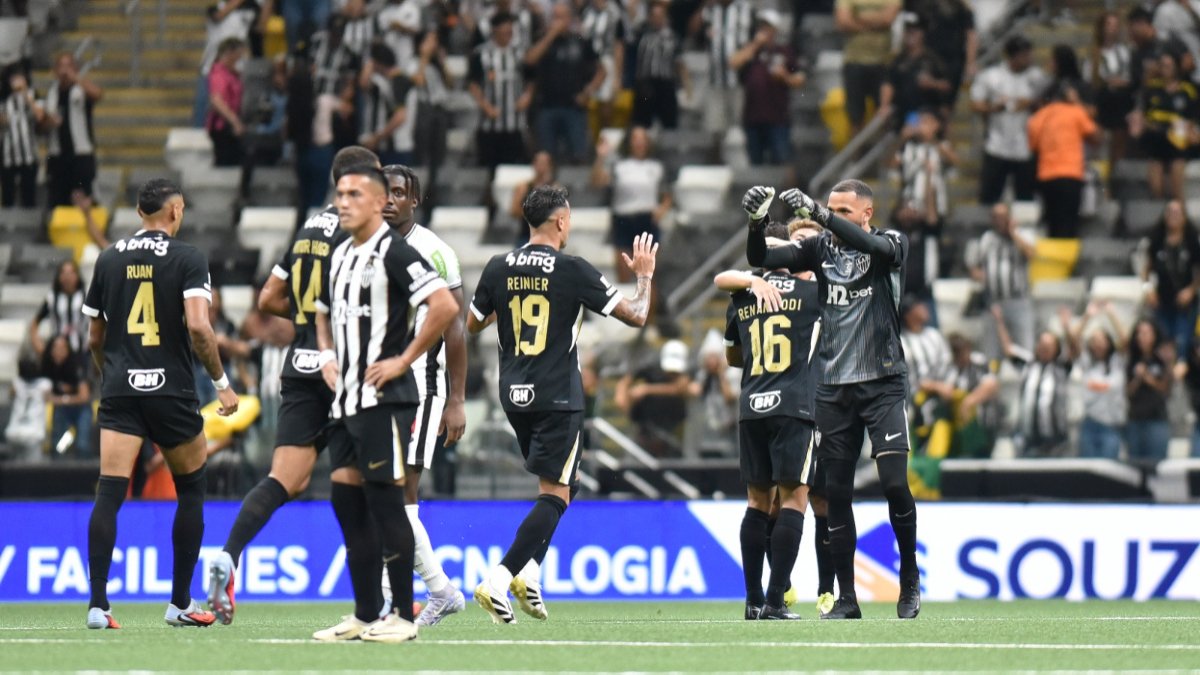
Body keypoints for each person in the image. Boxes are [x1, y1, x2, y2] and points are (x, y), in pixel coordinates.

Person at [205, 145, 380, 626]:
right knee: (368, 485)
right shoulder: (356, 230)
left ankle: (229, 553)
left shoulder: (308, 228)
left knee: (286, 478)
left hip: (299, 363)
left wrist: (305, 320)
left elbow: (268, 297)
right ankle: (389, 596)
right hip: (342, 368)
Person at [468, 185, 658, 624]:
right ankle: (499, 578)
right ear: (559, 221)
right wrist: (644, 275)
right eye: (568, 219)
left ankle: (530, 574)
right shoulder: (572, 268)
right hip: (558, 395)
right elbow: (637, 314)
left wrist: (511, 300)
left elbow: (473, 325)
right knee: (555, 494)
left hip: (514, 396)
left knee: (562, 486)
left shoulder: (498, 266)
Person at [742, 179, 920, 620]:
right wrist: (756, 222)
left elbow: (873, 248)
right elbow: (761, 258)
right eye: (832, 208)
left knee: (894, 482)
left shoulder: (890, 243)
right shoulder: (820, 250)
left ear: (866, 214)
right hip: (835, 389)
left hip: (883, 383)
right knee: (836, 495)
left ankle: (910, 578)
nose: (835, 215)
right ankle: (847, 598)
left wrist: (821, 214)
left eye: (844, 210)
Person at [81, 178, 239, 630]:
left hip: (121, 394)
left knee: (109, 492)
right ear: (174, 211)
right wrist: (222, 382)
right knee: (191, 490)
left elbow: (95, 336)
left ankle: (98, 605)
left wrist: (109, 374)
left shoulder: (109, 258)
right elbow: (199, 328)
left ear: (138, 212)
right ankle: (179, 603)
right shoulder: (189, 258)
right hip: (171, 390)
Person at [311, 165, 459, 642]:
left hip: (388, 399)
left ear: (379, 202)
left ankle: (403, 615)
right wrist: (328, 354)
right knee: (346, 502)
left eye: (355, 194)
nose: (344, 202)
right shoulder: (339, 252)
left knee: (389, 503)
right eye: (340, 193)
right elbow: (321, 308)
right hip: (347, 399)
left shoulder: (399, 252)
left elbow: (446, 308)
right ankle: (365, 612)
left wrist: (403, 361)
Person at [715, 219, 822, 621]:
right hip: (794, 405)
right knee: (795, 500)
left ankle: (753, 599)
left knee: (757, 502)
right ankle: (777, 601)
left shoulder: (741, 295)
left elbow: (732, 357)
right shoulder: (815, 293)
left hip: (751, 404)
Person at [379, 163, 468, 626]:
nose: (389, 200)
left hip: (421, 388)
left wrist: (456, 399)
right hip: (377, 387)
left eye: (398, 193)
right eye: (384, 191)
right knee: (382, 494)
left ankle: (430, 593)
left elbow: (455, 327)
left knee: (400, 495)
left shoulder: (435, 251)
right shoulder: (366, 245)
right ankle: (413, 596)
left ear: (415, 200)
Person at [524, 2, 604, 164]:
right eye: (554, 17)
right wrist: (551, 35)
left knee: (578, 156)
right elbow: (529, 60)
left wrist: (588, 92)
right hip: (546, 107)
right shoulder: (541, 39)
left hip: (574, 108)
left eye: (561, 17)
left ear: (570, 19)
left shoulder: (581, 40)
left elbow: (601, 71)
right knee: (546, 156)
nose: (557, 21)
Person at [970, 35, 1046, 204]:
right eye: (1024, 55)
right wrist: (993, 108)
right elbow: (976, 104)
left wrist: (1030, 103)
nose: (1029, 58)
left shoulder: (1036, 77)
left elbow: (1047, 104)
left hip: (1025, 145)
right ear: (1013, 56)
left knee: (1025, 198)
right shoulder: (992, 76)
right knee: (990, 196)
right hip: (997, 144)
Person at [591, 126, 671, 282]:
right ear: (629, 142)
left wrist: (662, 209)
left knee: (648, 277)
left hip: (647, 221)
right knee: (623, 272)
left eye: (642, 138)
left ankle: (649, 306)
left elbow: (667, 193)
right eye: (636, 138)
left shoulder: (656, 167)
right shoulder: (619, 166)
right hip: (623, 220)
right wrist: (600, 158)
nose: (639, 143)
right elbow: (597, 182)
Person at [730, 9, 806, 165]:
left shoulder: (785, 52)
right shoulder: (751, 52)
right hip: (752, 117)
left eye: (768, 26)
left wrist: (784, 76)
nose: (764, 30)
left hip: (777, 117)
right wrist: (755, 45)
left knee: (782, 160)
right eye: (761, 26)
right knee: (755, 163)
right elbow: (733, 63)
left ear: (775, 29)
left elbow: (800, 79)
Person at [993, 305, 1070, 457]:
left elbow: (1075, 349)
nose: (1044, 348)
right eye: (1042, 344)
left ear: (1056, 349)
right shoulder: (1028, 364)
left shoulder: (1061, 368)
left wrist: (1066, 327)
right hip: (1027, 438)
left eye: (1049, 345)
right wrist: (999, 321)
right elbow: (1008, 349)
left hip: (1054, 440)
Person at [1026, 81, 1098, 239]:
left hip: (1047, 176)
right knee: (1070, 223)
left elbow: (1033, 147)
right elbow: (1095, 136)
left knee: (1053, 223)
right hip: (1070, 174)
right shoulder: (1075, 112)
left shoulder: (1039, 117)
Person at [966, 202, 1035, 362]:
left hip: (1018, 301)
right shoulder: (987, 238)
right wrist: (981, 275)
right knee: (991, 351)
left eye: (1003, 216)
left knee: (1023, 348)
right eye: (996, 217)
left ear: (1010, 217)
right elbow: (974, 266)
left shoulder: (1023, 234)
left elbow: (1031, 254)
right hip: (993, 302)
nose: (999, 220)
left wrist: (1013, 232)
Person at [1129, 52, 1199, 200]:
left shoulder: (1187, 90)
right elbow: (1142, 115)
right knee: (1155, 166)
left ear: (1176, 67)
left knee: (1177, 164)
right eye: (1162, 65)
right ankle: (1158, 206)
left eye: (1168, 65)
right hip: (1156, 137)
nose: (1164, 68)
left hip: (1177, 139)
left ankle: (1178, 207)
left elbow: (1191, 120)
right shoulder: (1152, 88)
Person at [468, 11, 533, 170]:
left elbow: (531, 79)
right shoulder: (481, 53)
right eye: (504, 32)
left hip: (515, 121)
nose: (507, 36)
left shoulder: (520, 52)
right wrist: (486, 106)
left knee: (515, 167)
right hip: (489, 123)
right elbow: (473, 84)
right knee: (490, 168)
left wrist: (527, 97)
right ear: (494, 31)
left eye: (510, 32)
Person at [1063, 301, 1127, 459]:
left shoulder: (1117, 363)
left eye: (1102, 340)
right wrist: (1087, 317)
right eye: (1094, 340)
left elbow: (1125, 341)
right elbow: (1072, 341)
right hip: (1089, 424)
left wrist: (1112, 315)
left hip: (1111, 426)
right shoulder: (1086, 363)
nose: (1098, 344)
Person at [1139, 199, 1200, 355]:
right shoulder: (1156, 241)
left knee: (1182, 340)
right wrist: (1148, 290)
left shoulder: (1192, 241)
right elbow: (1146, 269)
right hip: (1162, 300)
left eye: (1177, 212)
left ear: (1184, 217)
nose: (1173, 216)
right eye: (1170, 212)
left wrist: (1191, 290)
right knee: (1164, 341)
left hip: (1185, 303)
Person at [614, 339, 693, 458]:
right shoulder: (651, 367)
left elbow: (680, 388)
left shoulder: (689, 370)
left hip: (673, 426)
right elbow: (626, 380)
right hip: (647, 426)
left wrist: (647, 389)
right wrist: (623, 396)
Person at [44, 52, 103, 206]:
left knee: (83, 199)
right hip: (57, 156)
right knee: (58, 201)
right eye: (61, 66)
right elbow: (41, 125)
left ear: (75, 68)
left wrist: (75, 78)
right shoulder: (52, 93)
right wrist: (49, 122)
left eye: (68, 66)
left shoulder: (81, 89)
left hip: (80, 155)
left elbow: (98, 94)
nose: (64, 71)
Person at [835, 0, 900, 136]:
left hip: (883, 61)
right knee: (855, 117)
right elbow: (843, 21)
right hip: (854, 60)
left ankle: (884, 155)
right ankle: (857, 155)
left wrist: (857, 17)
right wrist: (877, 21)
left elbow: (888, 19)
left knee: (884, 115)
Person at [878, 14, 951, 130]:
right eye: (908, 31)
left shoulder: (932, 60)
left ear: (922, 33)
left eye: (915, 31)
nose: (910, 35)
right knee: (904, 130)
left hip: (927, 111)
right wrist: (884, 105)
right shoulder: (898, 61)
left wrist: (932, 83)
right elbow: (888, 82)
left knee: (915, 129)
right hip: (903, 111)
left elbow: (946, 86)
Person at [1087, 11, 1133, 170]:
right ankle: (1101, 173)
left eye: (1115, 25)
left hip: (1119, 100)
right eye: (1109, 25)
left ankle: (1115, 172)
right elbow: (1091, 79)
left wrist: (1117, 81)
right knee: (1100, 141)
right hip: (1102, 99)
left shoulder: (1123, 51)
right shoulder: (1095, 53)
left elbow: (1128, 77)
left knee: (1119, 139)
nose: (1112, 29)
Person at [631, 0, 686, 130]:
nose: (657, 19)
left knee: (669, 124)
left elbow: (679, 63)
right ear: (650, 17)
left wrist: (686, 87)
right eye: (654, 16)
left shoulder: (672, 36)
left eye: (660, 16)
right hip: (645, 83)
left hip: (665, 84)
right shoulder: (641, 33)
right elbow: (631, 17)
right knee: (642, 123)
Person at [1125, 318, 1173, 464]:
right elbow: (1127, 393)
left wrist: (1147, 377)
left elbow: (1166, 390)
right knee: (1134, 468)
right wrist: (1138, 379)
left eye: (1146, 333)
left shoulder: (1162, 358)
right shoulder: (1132, 360)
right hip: (1135, 421)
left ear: (1154, 335)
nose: (1142, 336)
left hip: (1157, 421)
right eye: (1139, 333)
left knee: (1157, 467)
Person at [43, 333, 92, 457]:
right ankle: (58, 471)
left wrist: (62, 399)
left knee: (82, 445)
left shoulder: (75, 365)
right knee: (59, 446)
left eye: (62, 348)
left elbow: (84, 396)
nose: (58, 352)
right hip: (62, 411)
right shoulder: (48, 365)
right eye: (55, 348)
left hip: (81, 410)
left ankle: (83, 473)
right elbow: (46, 394)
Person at [29, 259, 88, 362]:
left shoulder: (86, 296)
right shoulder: (52, 298)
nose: (67, 277)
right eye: (64, 273)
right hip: (58, 355)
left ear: (77, 275)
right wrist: (40, 347)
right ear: (59, 277)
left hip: (82, 352)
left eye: (71, 273)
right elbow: (34, 323)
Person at [0, 70, 42, 207]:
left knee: (28, 196)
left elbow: (39, 116)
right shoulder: (5, 101)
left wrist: (25, 93)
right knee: (8, 197)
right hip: (9, 156)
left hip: (29, 155)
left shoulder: (33, 96)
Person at [206, 37, 247, 167]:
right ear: (229, 54)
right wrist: (234, 121)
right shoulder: (219, 73)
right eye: (237, 56)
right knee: (226, 162)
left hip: (230, 124)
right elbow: (217, 100)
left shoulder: (232, 73)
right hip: (223, 126)